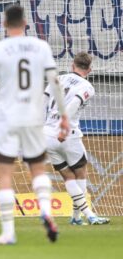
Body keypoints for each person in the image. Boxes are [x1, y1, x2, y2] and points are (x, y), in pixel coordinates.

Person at [0, 5, 69, 245]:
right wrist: (63, 114)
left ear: (4, 24)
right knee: (37, 168)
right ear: (26, 23)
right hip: (34, 117)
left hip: (7, 119)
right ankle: (45, 209)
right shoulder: (41, 47)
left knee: (4, 174)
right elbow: (54, 81)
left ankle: (8, 232)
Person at [44, 52, 110, 225]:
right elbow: (74, 103)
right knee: (80, 172)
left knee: (68, 176)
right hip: (67, 134)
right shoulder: (87, 86)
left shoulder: (57, 78)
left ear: (73, 65)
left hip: (47, 133)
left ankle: (76, 217)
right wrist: (63, 126)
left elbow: (42, 101)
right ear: (89, 69)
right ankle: (89, 215)